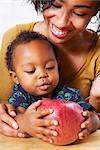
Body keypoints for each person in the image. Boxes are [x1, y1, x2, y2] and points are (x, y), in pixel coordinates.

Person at [0, 0, 100, 138]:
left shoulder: (68, 94)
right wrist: (25, 123)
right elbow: (11, 113)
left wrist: (94, 120)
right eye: (56, 5)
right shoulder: (21, 95)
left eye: (79, 13)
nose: (62, 22)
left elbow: (91, 115)